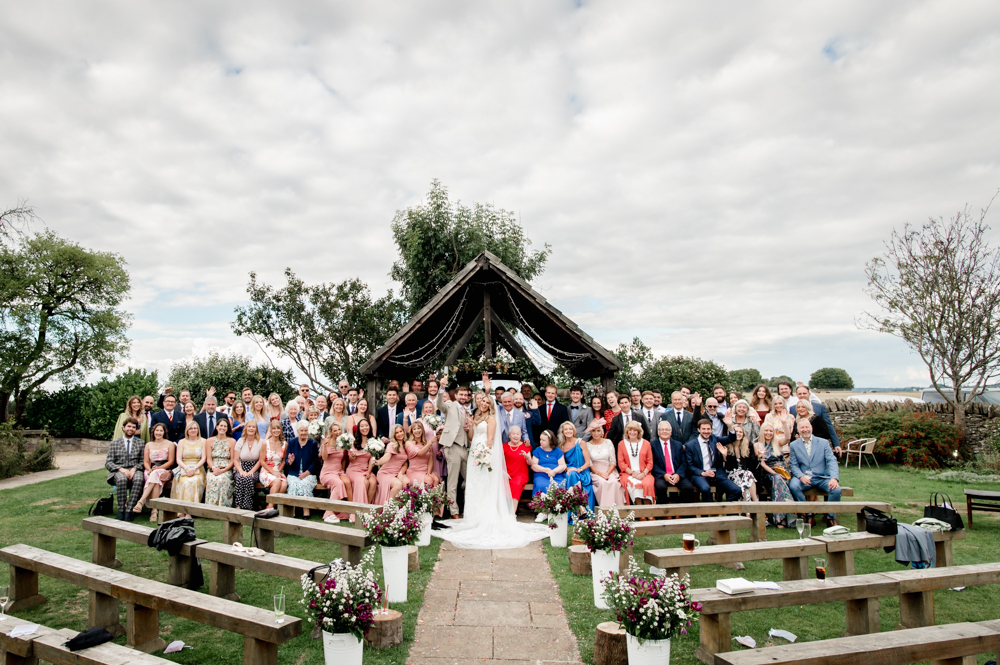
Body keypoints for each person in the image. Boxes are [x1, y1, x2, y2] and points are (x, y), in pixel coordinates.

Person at [432, 380, 550, 549]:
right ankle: (473, 516)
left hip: (483, 455)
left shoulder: (492, 418)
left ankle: (486, 516)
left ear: (491, 405)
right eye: (483, 401)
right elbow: (472, 436)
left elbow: (489, 440)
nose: (485, 404)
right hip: (474, 452)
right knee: (474, 485)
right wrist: (471, 425)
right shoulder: (476, 416)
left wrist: (485, 455)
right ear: (479, 402)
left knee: (485, 485)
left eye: (488, 402)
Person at [788, 418, 841, 526]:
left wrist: (834, 478)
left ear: (811, 428)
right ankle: (809, 514)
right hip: (804, 477)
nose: (805, 430)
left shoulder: (823, 443)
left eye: (807, 427)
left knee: (836, 490)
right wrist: (800, 476)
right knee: (793, 486)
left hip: (822, 477)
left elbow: (831, 460)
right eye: (802, 428)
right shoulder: (794, 445)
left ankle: (830, 518)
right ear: (798, 430)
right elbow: (793, 464)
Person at [436, 377, 471, 518]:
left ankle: (469, 508)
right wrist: (441, 388)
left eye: (465, 395)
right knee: (452, 482)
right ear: (456, 396)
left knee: (470, 480)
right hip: (452, 446)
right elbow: (439, 404)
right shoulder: (449, 405)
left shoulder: (469, 410)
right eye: (460, 394)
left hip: (465, 448)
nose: (463, 397)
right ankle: (454, 511)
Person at [685, 419, 742, 502]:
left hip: (716, 473)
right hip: (700, 474)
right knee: (705, 489)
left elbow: (731, 438)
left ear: (711, 430)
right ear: (698, 430)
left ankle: (725, 510)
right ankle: (708, 513)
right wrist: (702, 472)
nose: (706, 431)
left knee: (736, 490)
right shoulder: (690, 445)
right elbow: (689, 466)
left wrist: (730, 426)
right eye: (703, 429)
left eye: (708, 429)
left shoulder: (714, 439)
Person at [133, 422, 175, 522]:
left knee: (156, 474)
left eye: (161, 430)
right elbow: (146, 461)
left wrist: (159, 468)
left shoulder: (170, 444)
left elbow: (171, 461)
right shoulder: (148, 445)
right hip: (150, 470)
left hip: (164, 470)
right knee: (155, 479)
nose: (159, 433)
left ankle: (141, 501)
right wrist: (148, 469)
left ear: (164, 432)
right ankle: (154, 510)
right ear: (153, 432)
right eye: (157, 430)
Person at [105, 418, 146, 520]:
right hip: (118, 470)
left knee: (138, 479)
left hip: (135, 470)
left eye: (133, 427)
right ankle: (121, 510)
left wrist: (134, 469)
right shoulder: (115, 443)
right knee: (122, 479)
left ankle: (130, 510)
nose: (131, 429)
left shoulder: (140, 443)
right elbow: (108, 462)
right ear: (123, 428)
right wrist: (121, 469)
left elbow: (143, 461)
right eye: (129, 426)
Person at [756, 423, 794, 527]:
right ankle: (783, 517)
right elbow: (762, 464)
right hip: (768, 473)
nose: (768, 433)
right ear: (762, 431)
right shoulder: (757, 445)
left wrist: (784, 423)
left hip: (783, 472)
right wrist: (775, 473)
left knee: (780, 483)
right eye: (766, 430)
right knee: (777, 480)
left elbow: (787, 438)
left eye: (770, 431)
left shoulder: (777, 442)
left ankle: (783, 517)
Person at [650, 420, 692, 504]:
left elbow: (684, 463)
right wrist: (664, 475)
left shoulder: (678, 445)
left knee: (688, 487)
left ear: (671, 432)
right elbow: (653, 464)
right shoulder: (652, 445)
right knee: (660, 487)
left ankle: (680, 511)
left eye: (667, 429)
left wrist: (678, 474)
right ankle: (665, 511)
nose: (664, 431)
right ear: (658, 432)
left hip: (676, 473)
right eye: (662, 430)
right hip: (661, 475)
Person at [529, 430, 567, 523]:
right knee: (541, 485)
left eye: (543, 440)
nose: (541, 442)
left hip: (556, 475)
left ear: (550, 440)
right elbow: (534, 465)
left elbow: (563, 465)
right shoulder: (538, 450)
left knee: (559, 485)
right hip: (541, 474)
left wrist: (554, 471)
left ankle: (555, 510)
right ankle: (542, 512)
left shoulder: (557, 450)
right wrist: (545, 470)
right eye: (540, 439)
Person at [558, 421, 595, 511]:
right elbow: (562, 463)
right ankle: (577, 508)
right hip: (569, 472)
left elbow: (587, 462)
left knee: (574, 474)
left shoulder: (581, 443)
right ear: (562, 432)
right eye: (565, 429)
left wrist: (579, 469)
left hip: (582, 471)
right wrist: (568, 469)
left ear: (574, 431)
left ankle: (579, 507)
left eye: (570, 429)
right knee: (572, 474)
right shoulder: (561, 446)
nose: (568, 431)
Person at [587, 421, 626, 507]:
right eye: (593, 431)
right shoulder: (587, 445)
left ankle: (618, 509)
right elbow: (590, 464)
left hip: (609, 469)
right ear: (591, 432)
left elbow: (613, 461)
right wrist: (600, 474)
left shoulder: (608, 442)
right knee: (602, 483)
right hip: (596, 471)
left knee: (614, 482)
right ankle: (605, 511)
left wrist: (607, 473)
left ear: (602, 432)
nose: (596, 433)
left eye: (598, 431)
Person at [319, 422, 352, 523]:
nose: (337, 432)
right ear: (331, 432)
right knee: (338, 483)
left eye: (339, 430)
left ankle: (352, 511)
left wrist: (342, 471)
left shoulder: (342, 442)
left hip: (338, 471)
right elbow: (324, 458)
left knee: (348, 483)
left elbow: (343, 459)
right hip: (327, 472)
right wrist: (324, 447)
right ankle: (329, 513)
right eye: (335, 430)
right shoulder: (326, 441)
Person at [617, 421, 655, 507]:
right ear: (627, 431)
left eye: (635, 430)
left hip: (644, 473)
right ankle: (640, 510)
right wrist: (632, 473)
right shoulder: (621, 444)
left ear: (639, 432)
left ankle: (648, 510)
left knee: (647, 483)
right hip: (628, 473)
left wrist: (644, 473)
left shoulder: (646, 443)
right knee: (635, 485)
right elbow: (621, 463)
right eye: (630, 430)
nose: (632, 432)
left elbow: (650, 463)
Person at [793, 385, 841, 451]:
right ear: (797, 395)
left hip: (817, 447)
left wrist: (836, 444)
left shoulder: (820, 408)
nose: (802, 395)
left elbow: (828, 428)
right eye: (800, 394)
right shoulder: (793, 409)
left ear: (809, 394)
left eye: (804, 393)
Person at [173, 420, 207, 512]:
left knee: (193, 481)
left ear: (198, 430)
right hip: (184, 468)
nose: (193, 430)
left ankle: (190, 511)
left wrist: (194, 468)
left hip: (198, 469)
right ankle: (180, 510)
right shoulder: (181, 442)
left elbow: (203, 458)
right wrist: (187, 468)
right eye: (191, 428)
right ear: (187, 430)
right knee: (185, 482)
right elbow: (178, 459)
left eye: (195, 428)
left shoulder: (203, 441)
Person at [285, 420, 320, 511]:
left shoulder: (313, 443)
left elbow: (315, 461)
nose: (303, 433)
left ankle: (306, 511)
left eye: (305, 430)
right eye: (301, 431)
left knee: (304, 484)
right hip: (294, 473)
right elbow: (286, 460)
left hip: (309, 473)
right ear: (298, 431)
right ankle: (292, 511)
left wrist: (306, 473)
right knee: (293, 484)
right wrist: (290, 461)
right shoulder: (292, 442)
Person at [375, 424, 410, 504]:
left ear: (404, 432)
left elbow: (405, 463)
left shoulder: (406, 445)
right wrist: (378, 462)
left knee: (407, 483)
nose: (399, 434)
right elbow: (387, 456)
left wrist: (400, 473)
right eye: (397, 433)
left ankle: (403, 509)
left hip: (396, 473)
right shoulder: (392, 445)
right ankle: (390, 508)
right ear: (394, 435)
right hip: (386, 473)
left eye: (401, 431)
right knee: (398, 485)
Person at [204, 419, 236, 508]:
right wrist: (214, 468)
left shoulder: (232, 441)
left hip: (226, 469)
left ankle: (223, 506)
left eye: (225, 426)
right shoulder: (209, 441)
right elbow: (209, 459)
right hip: (213, 468)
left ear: (227, 428)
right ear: (217, 427)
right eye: (221, 426)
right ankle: (211, 507)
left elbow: (233, 460)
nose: (222, 428)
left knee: (222, 480)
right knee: (212, 479)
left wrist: (223, 470)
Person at [346, 421, 377, 506]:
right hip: (354, 470)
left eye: (366, 425)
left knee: (373, 482)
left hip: (366, 469)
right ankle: (360, 507)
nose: (364, 428)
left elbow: (372, 459)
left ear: (369, 427)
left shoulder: (372, 442)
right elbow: (351, 460)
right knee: (365, 482)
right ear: (359, 429)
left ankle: (368, 506)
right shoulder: (353, 442)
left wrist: (369, 472)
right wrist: (352, 456)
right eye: (362, 426)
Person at [259, 420, 289, 508]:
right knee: (277, 482)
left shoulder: (284, 444)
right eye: (274, 429)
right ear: (271, 430)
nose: (276, 431)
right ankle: (270, 507)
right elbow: (262, 461)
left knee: (284, 485)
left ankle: (271, 505)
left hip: (279, 470)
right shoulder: (265, 443)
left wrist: (279, 471)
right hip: (267, 471)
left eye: (278, 428)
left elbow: (283, 460)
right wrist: (273, 472)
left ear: (281, 430)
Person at [724, 424, 758, 501]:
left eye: (740, 432)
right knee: (747, 476)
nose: (738, 433)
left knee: (746, 478)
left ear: (743, 435)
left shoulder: (748, 445)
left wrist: (758, 457)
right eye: (736, 431)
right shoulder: (726, 445)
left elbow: (752, 465)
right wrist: (724, 456)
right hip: (731, 474)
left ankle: (747, 508)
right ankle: (755, 503)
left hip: (745, 475)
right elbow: (726, 466)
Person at [233, 421, 262, 510]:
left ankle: (247, 506)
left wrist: (251, 471)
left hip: (254, 469)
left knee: (248, 479)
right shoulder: (241, 441)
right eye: (249, 426)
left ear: (256, 429)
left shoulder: (261, 442)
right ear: (246, 428)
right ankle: (238, 505)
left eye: (253, 427)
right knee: (240, 478)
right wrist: (241, 471)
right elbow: (235, 459)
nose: (251, 428)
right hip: (241, 467)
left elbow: (260, 460)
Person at [502, 426, 532, 509]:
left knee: (516, 484)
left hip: (520, 474)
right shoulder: (504, 447)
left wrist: (527, 457)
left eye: (518, 434)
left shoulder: (525, 447)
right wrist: (503, 472)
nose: (515, 436)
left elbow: (530, 463)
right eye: (513, 434)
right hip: (507, 473)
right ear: (509, 435)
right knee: (501, 484)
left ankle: (512, 513)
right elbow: (499, 463)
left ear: (521, 435)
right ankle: (502, 511)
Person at [405, 418, 436, 487]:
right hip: (414, 471)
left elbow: (430, 459)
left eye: (419, 428)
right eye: (414, 429)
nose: (417, 431)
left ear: (422, 430)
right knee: (429, 480)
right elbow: (420, 453)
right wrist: (430, 442)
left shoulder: (426, 443)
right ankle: (427, 497)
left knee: (436, 479)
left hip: (425, 470)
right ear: (412, 432)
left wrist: (429, 472)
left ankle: (433, 497)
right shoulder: (409, 443)